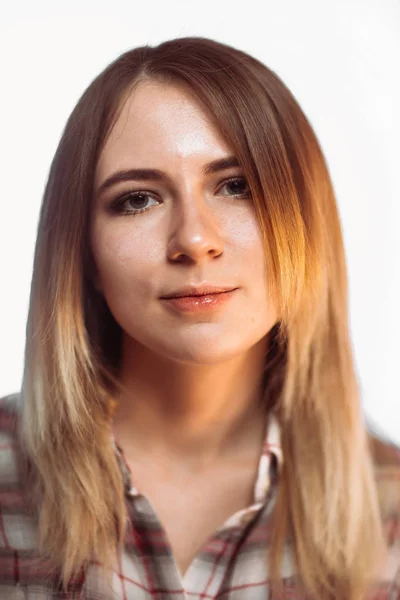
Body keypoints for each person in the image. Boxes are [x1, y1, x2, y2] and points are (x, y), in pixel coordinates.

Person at [0, 36, 399, 600]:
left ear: (306, 226)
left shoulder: (392, 509)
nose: (193, 239)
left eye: (237, 187)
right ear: (82, 252)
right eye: (138, 199)